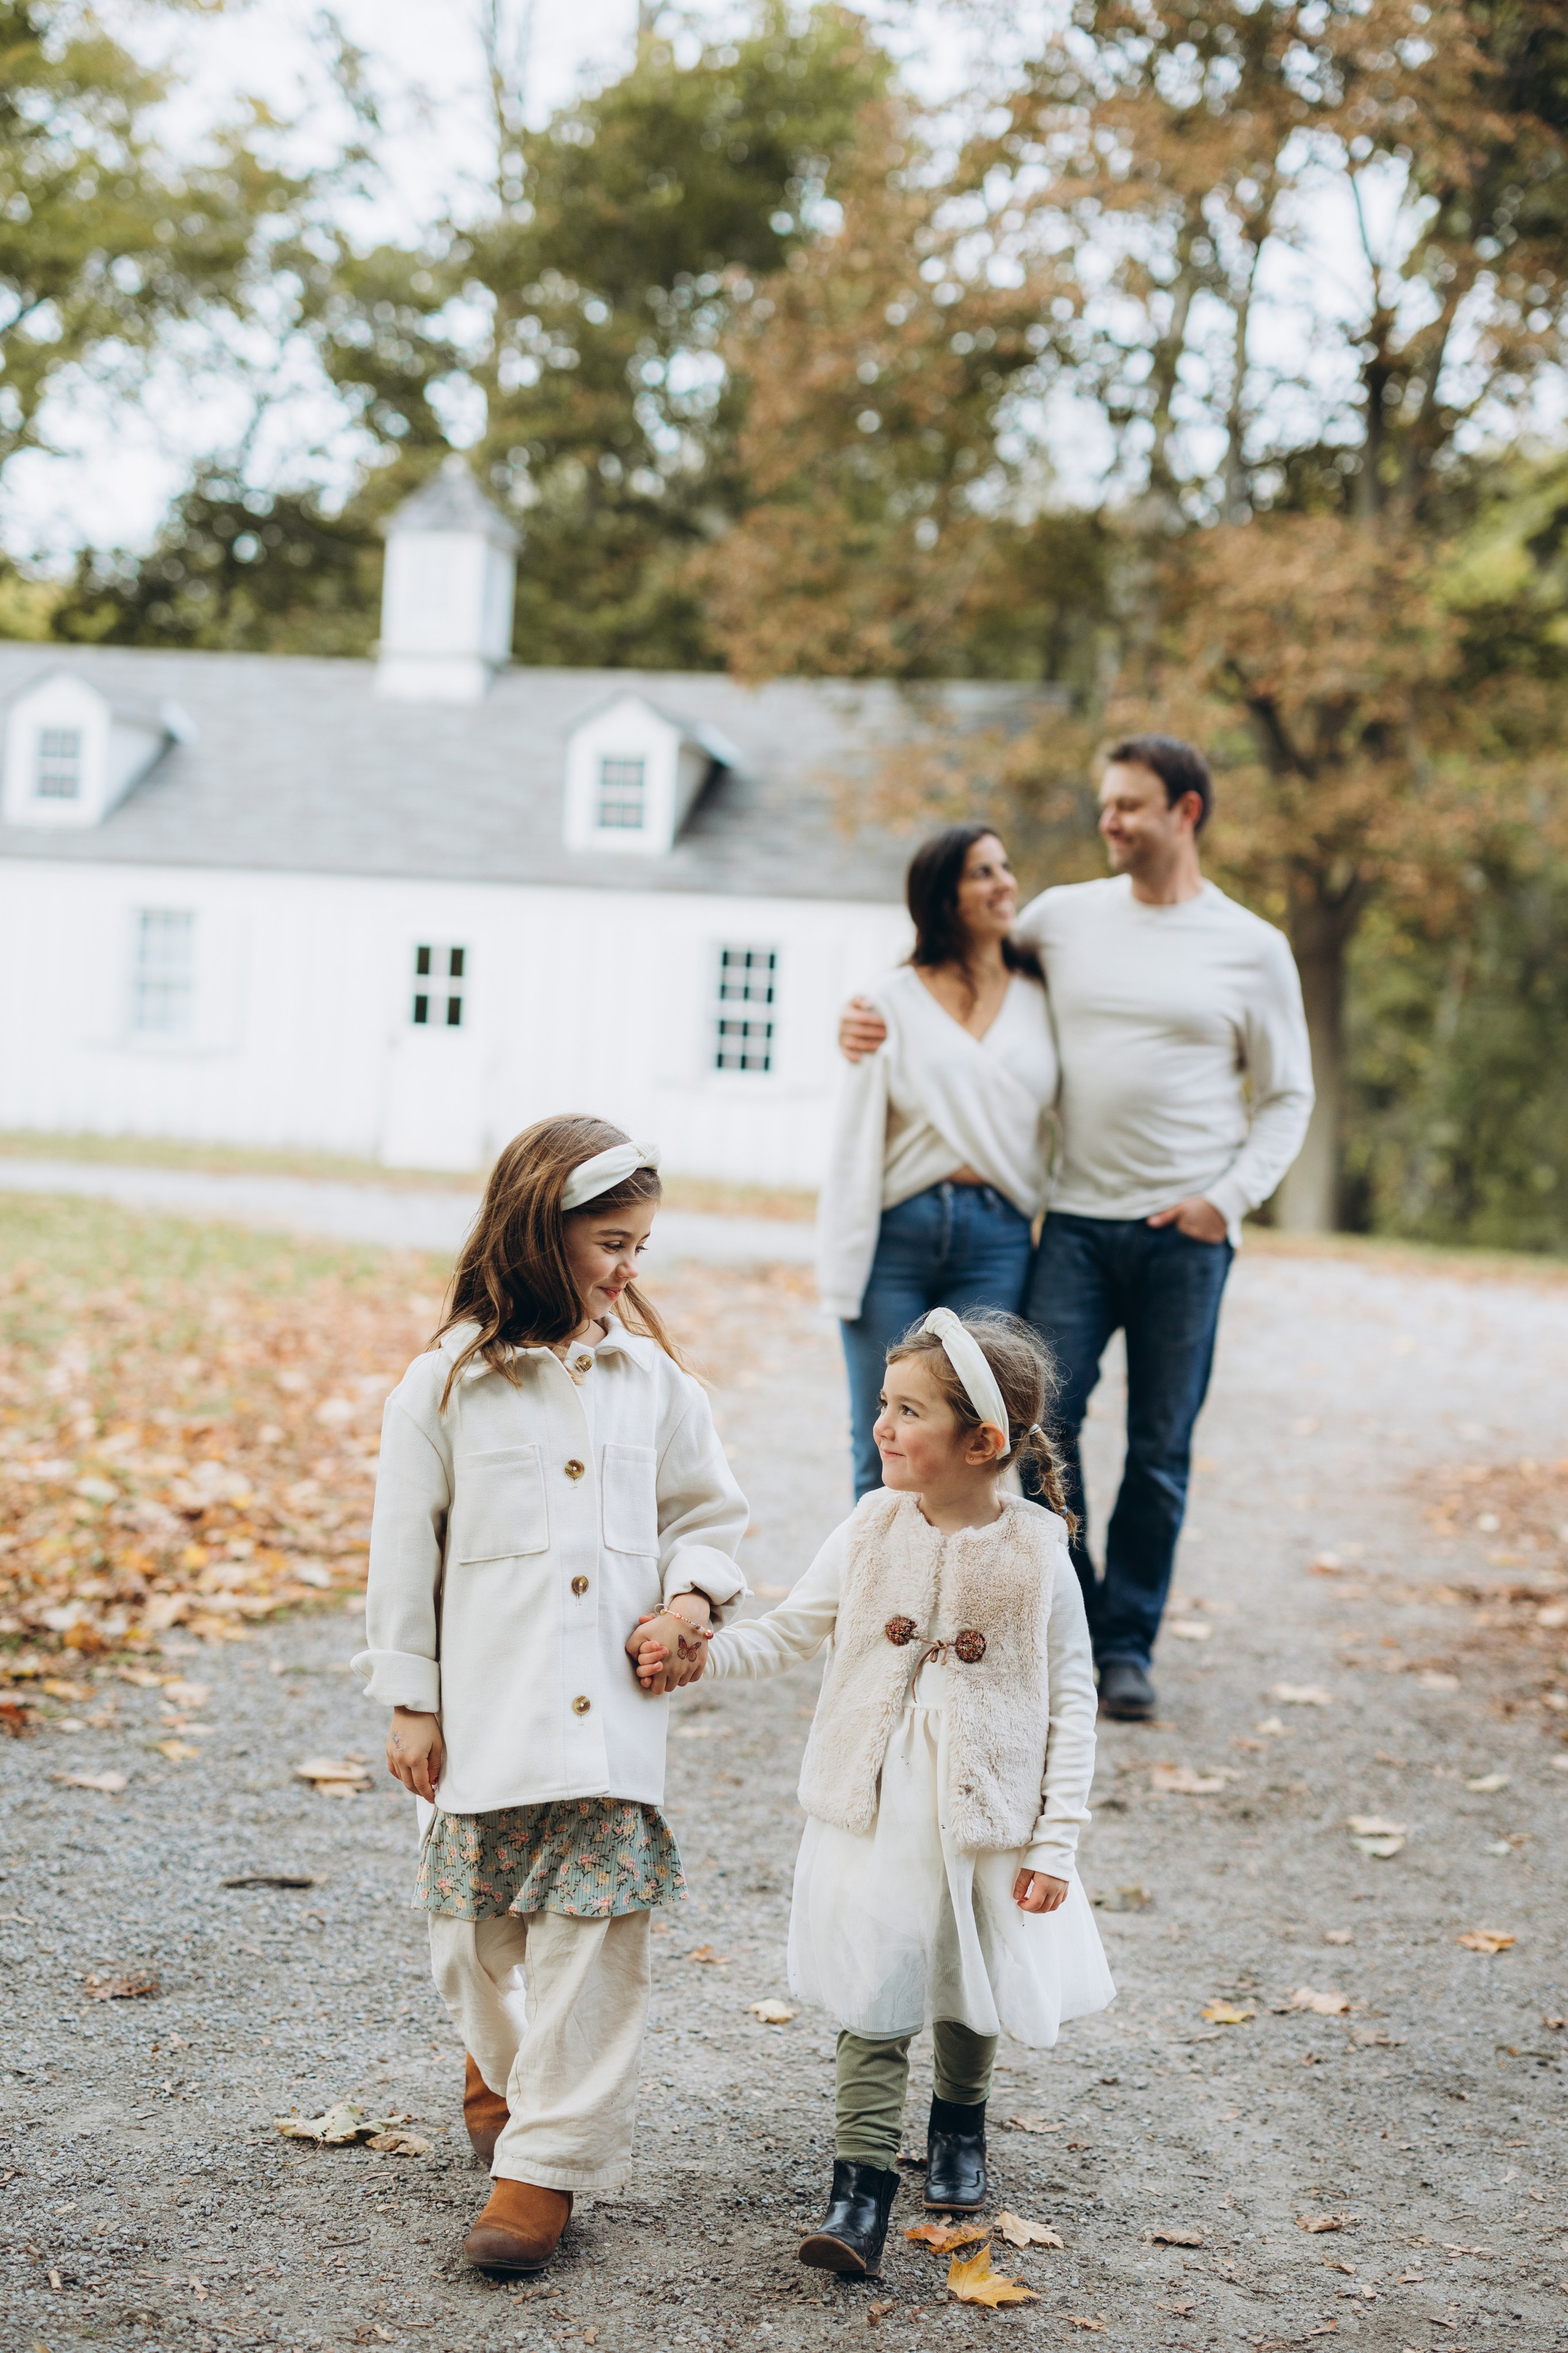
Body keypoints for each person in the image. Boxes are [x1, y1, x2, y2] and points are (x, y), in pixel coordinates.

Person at [840, 738, 1313, 1722]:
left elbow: (1287, 1095)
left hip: (1188, 1235)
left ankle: (1129, 1647)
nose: (1111, 822)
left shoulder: (1251, 946)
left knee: (1162, 1443)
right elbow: (954, 971)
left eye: (1131, 806)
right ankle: (1078, 1620)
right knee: (1037, 1431)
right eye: (1106, 804)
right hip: (1075, 1226)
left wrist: (1226, 1200)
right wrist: (864, 1017)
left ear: (1186, 812)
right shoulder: (1062, 919)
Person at [637, 1309, 1112, 2281]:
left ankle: (958, 2132)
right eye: (882, 1406)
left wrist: (1055, 1842)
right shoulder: (869, 1524)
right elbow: (790, 1631)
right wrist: (701, 1652)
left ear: (983, 1441)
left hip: (988, 1812)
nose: (882, 1428)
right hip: (878, 1800)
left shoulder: (1038, 1551)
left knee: (967, 1971)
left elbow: (1072, 1698)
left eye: (909, 1411)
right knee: (877, 1977)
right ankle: (858, 2192)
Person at [354, 1115, 748, 2273]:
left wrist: (690, 1605)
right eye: (612, 1242)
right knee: (470, 1943)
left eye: (642, 1245)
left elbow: (711, 1518)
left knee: (595, 1945)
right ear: (541, 1233)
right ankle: (500, 2063)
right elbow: (401, 1552)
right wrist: (410, 1699)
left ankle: (543, 2170)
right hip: (485, 1712)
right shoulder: (446, 1385)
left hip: (612, 1732)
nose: (632, 1269)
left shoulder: (657, 1383)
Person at [816, 825, 1059, 1500]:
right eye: (983, 872)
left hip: (997, 1235)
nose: (1004, 882)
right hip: (898, 1230)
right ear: (943, 897)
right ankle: (873, 1602)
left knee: (983, 1437)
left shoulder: (1043, 998)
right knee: (885, 1436)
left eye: (1005, 866)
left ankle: (970, 1601)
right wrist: (843, 1253)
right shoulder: (889, 1000)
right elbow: (854, 1136)